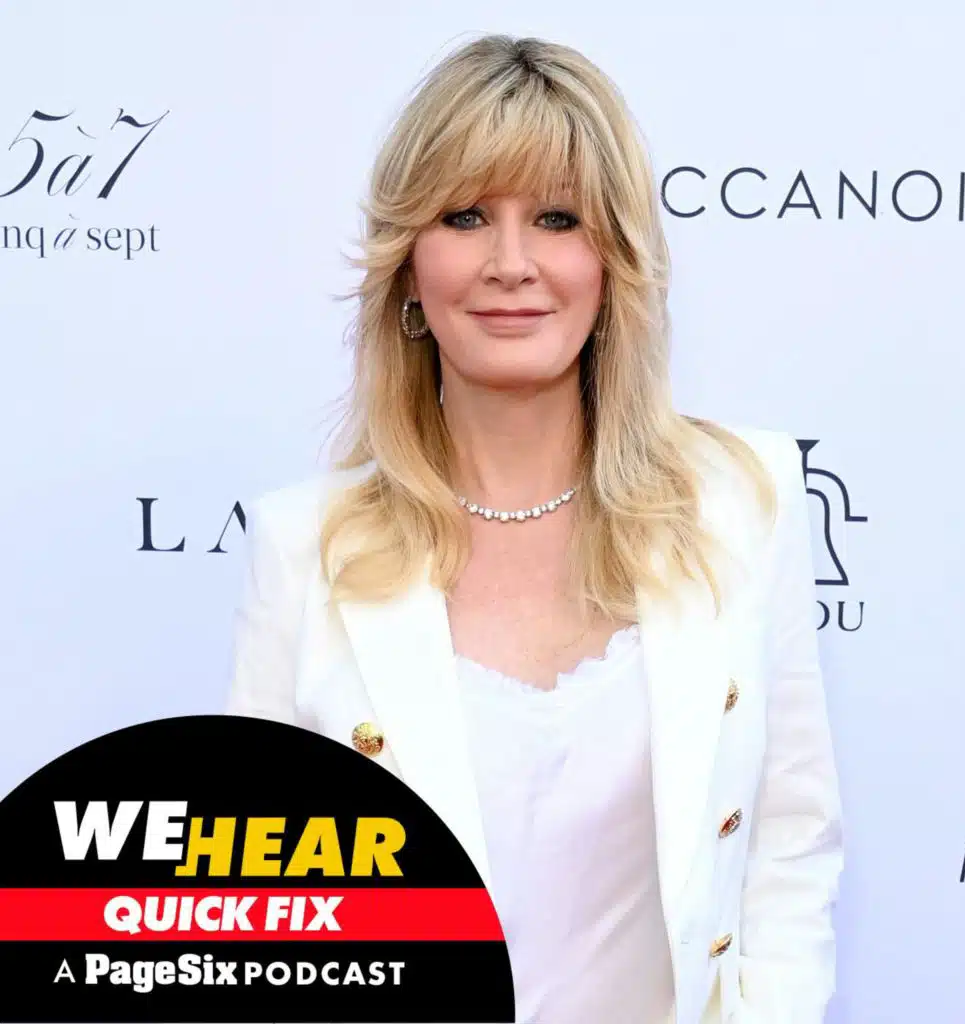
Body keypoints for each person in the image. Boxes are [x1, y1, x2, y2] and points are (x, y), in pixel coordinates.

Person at [227, 33, 843, 1024]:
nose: (510, 264)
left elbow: (790, 845)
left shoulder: (741, 503)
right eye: (465, 216)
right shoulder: (306, 548)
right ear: (408, 267)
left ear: (612, 261)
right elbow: (264, 913)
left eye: (557, 218)